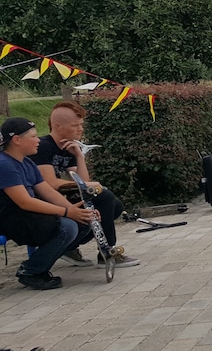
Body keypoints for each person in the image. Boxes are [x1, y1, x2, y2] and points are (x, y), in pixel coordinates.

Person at [32, 101, 140, 268]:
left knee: (114, 206)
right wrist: (90, 186)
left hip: (63, 197)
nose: (80, 129)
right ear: (58, 126)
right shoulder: (43, 146)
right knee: (105, 198)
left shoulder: (70, 146)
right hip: (44, 200)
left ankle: (70, 247)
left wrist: (79, 156)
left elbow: (82, 180)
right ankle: (107, 251)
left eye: (81, 125)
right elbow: (50, 183)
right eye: (75, 125)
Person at [0, 118, 97, 290]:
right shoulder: (5, 164)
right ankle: (31, 271)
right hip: (11, 219)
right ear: (17, 140)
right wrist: (66, 213)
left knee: (83, 223)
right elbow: (24, 202)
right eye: (34, 136)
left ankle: (39, 267)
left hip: (27, 216)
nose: (39, 140)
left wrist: (75, 210)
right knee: (68, 227)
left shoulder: (26, 161)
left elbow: (48, 192)